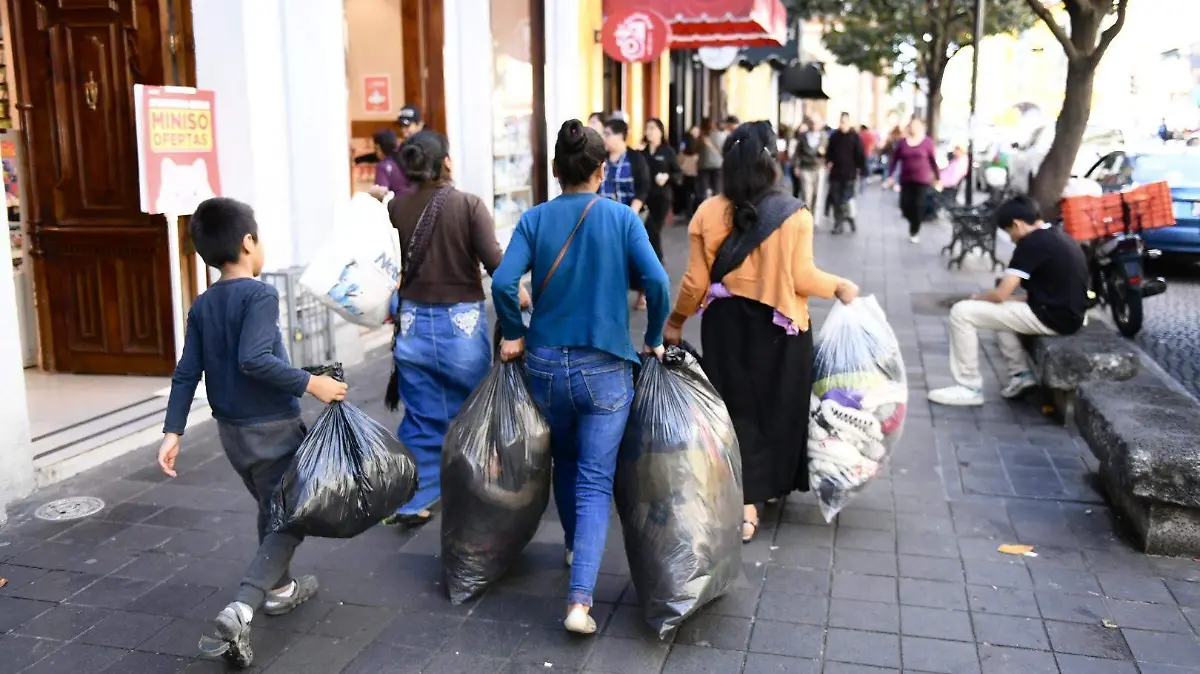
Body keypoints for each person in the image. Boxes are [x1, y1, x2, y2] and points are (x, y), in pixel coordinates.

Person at [492, 119, 670, 635]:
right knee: (596, 479)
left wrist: (512, 331)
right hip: (606, 368)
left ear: (554, 171)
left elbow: (505, 281)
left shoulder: (534, 218)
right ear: (601, 169)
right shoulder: (621, 218)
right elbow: (656, 281)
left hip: (545, 365)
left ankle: (573, 547)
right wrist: (655, 335)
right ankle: (579, 602)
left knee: (565, 460)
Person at [156, 197, 349, 667]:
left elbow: (187, 372)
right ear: (248, 242)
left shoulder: (204, 304)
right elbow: (255, 360)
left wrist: (173, 431)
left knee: (274, 504)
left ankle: (280, 587)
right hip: (271, 429)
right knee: (292, 517)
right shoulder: (260, 295)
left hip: (233, 435)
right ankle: (242, 608)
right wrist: (313, 384)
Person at [663, 121, 860, 544]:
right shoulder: (794, 214)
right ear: (771, 162)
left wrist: (675, 322)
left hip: (725, 327)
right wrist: (839, 286)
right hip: (780, 330)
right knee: (776, 409)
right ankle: (756, 497)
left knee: (734, 411)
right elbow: (802, 277)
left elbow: (695, 284)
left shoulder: (707, 212)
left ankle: (743, 495)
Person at [383, 130, 530, 526]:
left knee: (421, 416)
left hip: (412, 322)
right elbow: (498, 266)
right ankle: (481, 495)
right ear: (446, 161)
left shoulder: (395, 208)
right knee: (475, 413)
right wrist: (521, 296)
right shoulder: (468, 206)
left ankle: (414, 500)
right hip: (459, 327)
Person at [928, 196, 1088, 407]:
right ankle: (1020, 374)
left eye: (1008, 231)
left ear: (1018, 224)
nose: (1011, 239)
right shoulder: (1059, 236)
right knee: (1002, 312)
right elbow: (1050, 290)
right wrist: (1009, 301)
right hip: (1069, 314)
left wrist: (976, 298)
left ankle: (968, 386)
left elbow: (1000, 294)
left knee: (961, 313)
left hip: (1054, 318)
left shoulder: (1030, 243)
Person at [884, 117, 941, 243]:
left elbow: (932, 161)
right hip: (906, 179)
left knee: (918, 205)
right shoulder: (903, 142)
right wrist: (890, 175)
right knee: (905, 205)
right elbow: (895, 159)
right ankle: (911, 219)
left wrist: (937, 178)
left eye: (916, 125)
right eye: (912, 125)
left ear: (921, 127)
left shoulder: (927, 143)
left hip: (921, 180)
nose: (913, 128)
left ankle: (915, 230)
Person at [641, 117, 682, 269]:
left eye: (653, 128)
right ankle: (653, 261)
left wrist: (667, 177)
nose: (650, 132)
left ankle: (657, 261)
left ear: (660, 132)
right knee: (646, 230)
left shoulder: (667, 151)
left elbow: (678, 173)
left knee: (653, 228)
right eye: (648, 128)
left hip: (661, 197)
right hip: (645, 196)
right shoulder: (642, 152)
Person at [825, 112, 867, 234]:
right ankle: (838, 223)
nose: (842, 124)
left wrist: (861, 168)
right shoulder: (835, 136)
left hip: (849, 174)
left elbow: (860, 154)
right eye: (841, 121)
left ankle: (849, 218)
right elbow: (830, 152)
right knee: (836, 200)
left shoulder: (854, 137)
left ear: (849, 122)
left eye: (845, 122)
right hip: (836, 173)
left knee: (845, 200)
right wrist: (828, 161)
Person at [793, 117, 825, 215]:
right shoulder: (803, 136)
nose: (814, 125)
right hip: (805, 168)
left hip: (819, 168)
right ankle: (807, 217)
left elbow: (830, 151)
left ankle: (815, 218)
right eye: (812, 123)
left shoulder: (824, 137)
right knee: (807, 195)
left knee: (817, 195)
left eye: (816, 123)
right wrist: (796, 166)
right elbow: (797, 152)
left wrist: (825, 154)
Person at [368, 129, 413, 199]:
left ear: (378, 147)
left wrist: (371, 191)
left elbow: (381, 194)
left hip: (396, 206)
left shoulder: (382, 166)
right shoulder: (407, 160)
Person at [697, 117, 725, 202]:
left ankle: (705, 209)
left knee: (703, 191)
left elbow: (694, 149)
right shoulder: (721, 135)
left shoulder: (701, 137)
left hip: (704, 166)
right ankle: (716, 210)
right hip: (718, 165)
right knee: (717, 190)